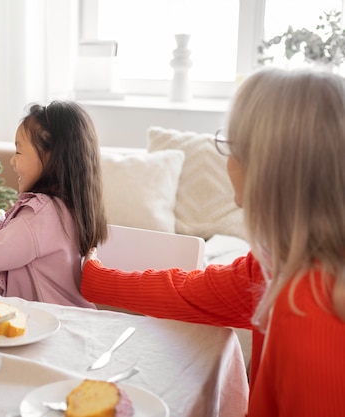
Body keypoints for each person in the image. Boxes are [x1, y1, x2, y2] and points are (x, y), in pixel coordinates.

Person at [81, 67, 345, 416]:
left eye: (230, 146)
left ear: (267, 169)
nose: (228, 161)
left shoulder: (308, 312)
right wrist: (91, 275)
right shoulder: (276, 265)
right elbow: (186, 291)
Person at [0, 101, 108, 308]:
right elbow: (2, 242)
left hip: (55, 329)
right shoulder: (62, 207)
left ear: (50, 156)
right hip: (67, 321)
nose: (12, 161)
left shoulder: (40, 216)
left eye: (18, 152)